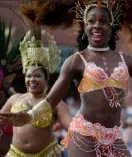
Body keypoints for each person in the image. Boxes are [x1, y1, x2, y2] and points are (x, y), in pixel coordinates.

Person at [1, 0, 132, 157]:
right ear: (84, 26)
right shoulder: (75, 61)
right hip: (84, 136)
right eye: (91, 21)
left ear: (111, 26)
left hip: (114, 138)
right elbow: (51, 100)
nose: (97, 26)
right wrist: (30, 116)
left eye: (103, 21)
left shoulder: (126, 61)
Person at [0, 28, 72, 157]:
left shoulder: (55, 103)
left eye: (37, 76)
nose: (32, 79)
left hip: (47, 153)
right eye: (28, 76)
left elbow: (73, 129)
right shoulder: (14, 99)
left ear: (46, 79)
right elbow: (1, 120)